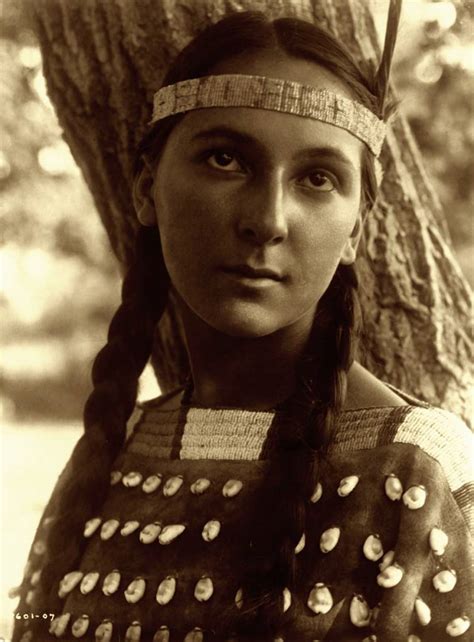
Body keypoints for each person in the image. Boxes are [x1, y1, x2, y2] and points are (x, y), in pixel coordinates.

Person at [12, 5, 472, 642]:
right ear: (147, 189)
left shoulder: (415, 469)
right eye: (226, 160)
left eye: (317, 178)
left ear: (354, 232)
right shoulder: (110, 452)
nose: (268, 219)